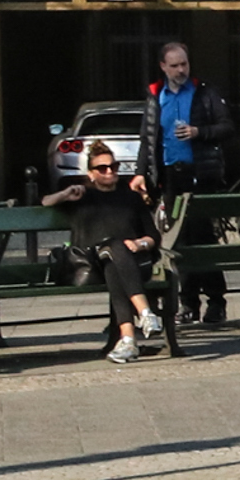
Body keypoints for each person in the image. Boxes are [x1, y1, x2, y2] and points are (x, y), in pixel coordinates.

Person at [40, 140, 163, 365]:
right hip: (89, 265)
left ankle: (128, 340)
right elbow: (46, 202)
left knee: (114, 260)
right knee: (113, 248)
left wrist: (140, 245)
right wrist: (65, 193)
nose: (109, 172)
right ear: (91, 173)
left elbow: (153, 236)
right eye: (102, 168)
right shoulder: (81, 195)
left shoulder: (131, 196)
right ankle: (145, 312)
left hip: (129, 263)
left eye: (113, 167)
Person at [144, 42, 237, 324]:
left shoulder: (204, 93)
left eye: (184, 64)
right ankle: (187, 302)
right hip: (172, 175)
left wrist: (200, 131)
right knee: (178, 241)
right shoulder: (155, 96)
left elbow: (227, 127)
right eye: (174, 65)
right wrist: (142, 174)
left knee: (204, 238)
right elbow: (148, 140)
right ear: (163, 67)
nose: (181, 70)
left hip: (202, 175)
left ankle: (216, 301)